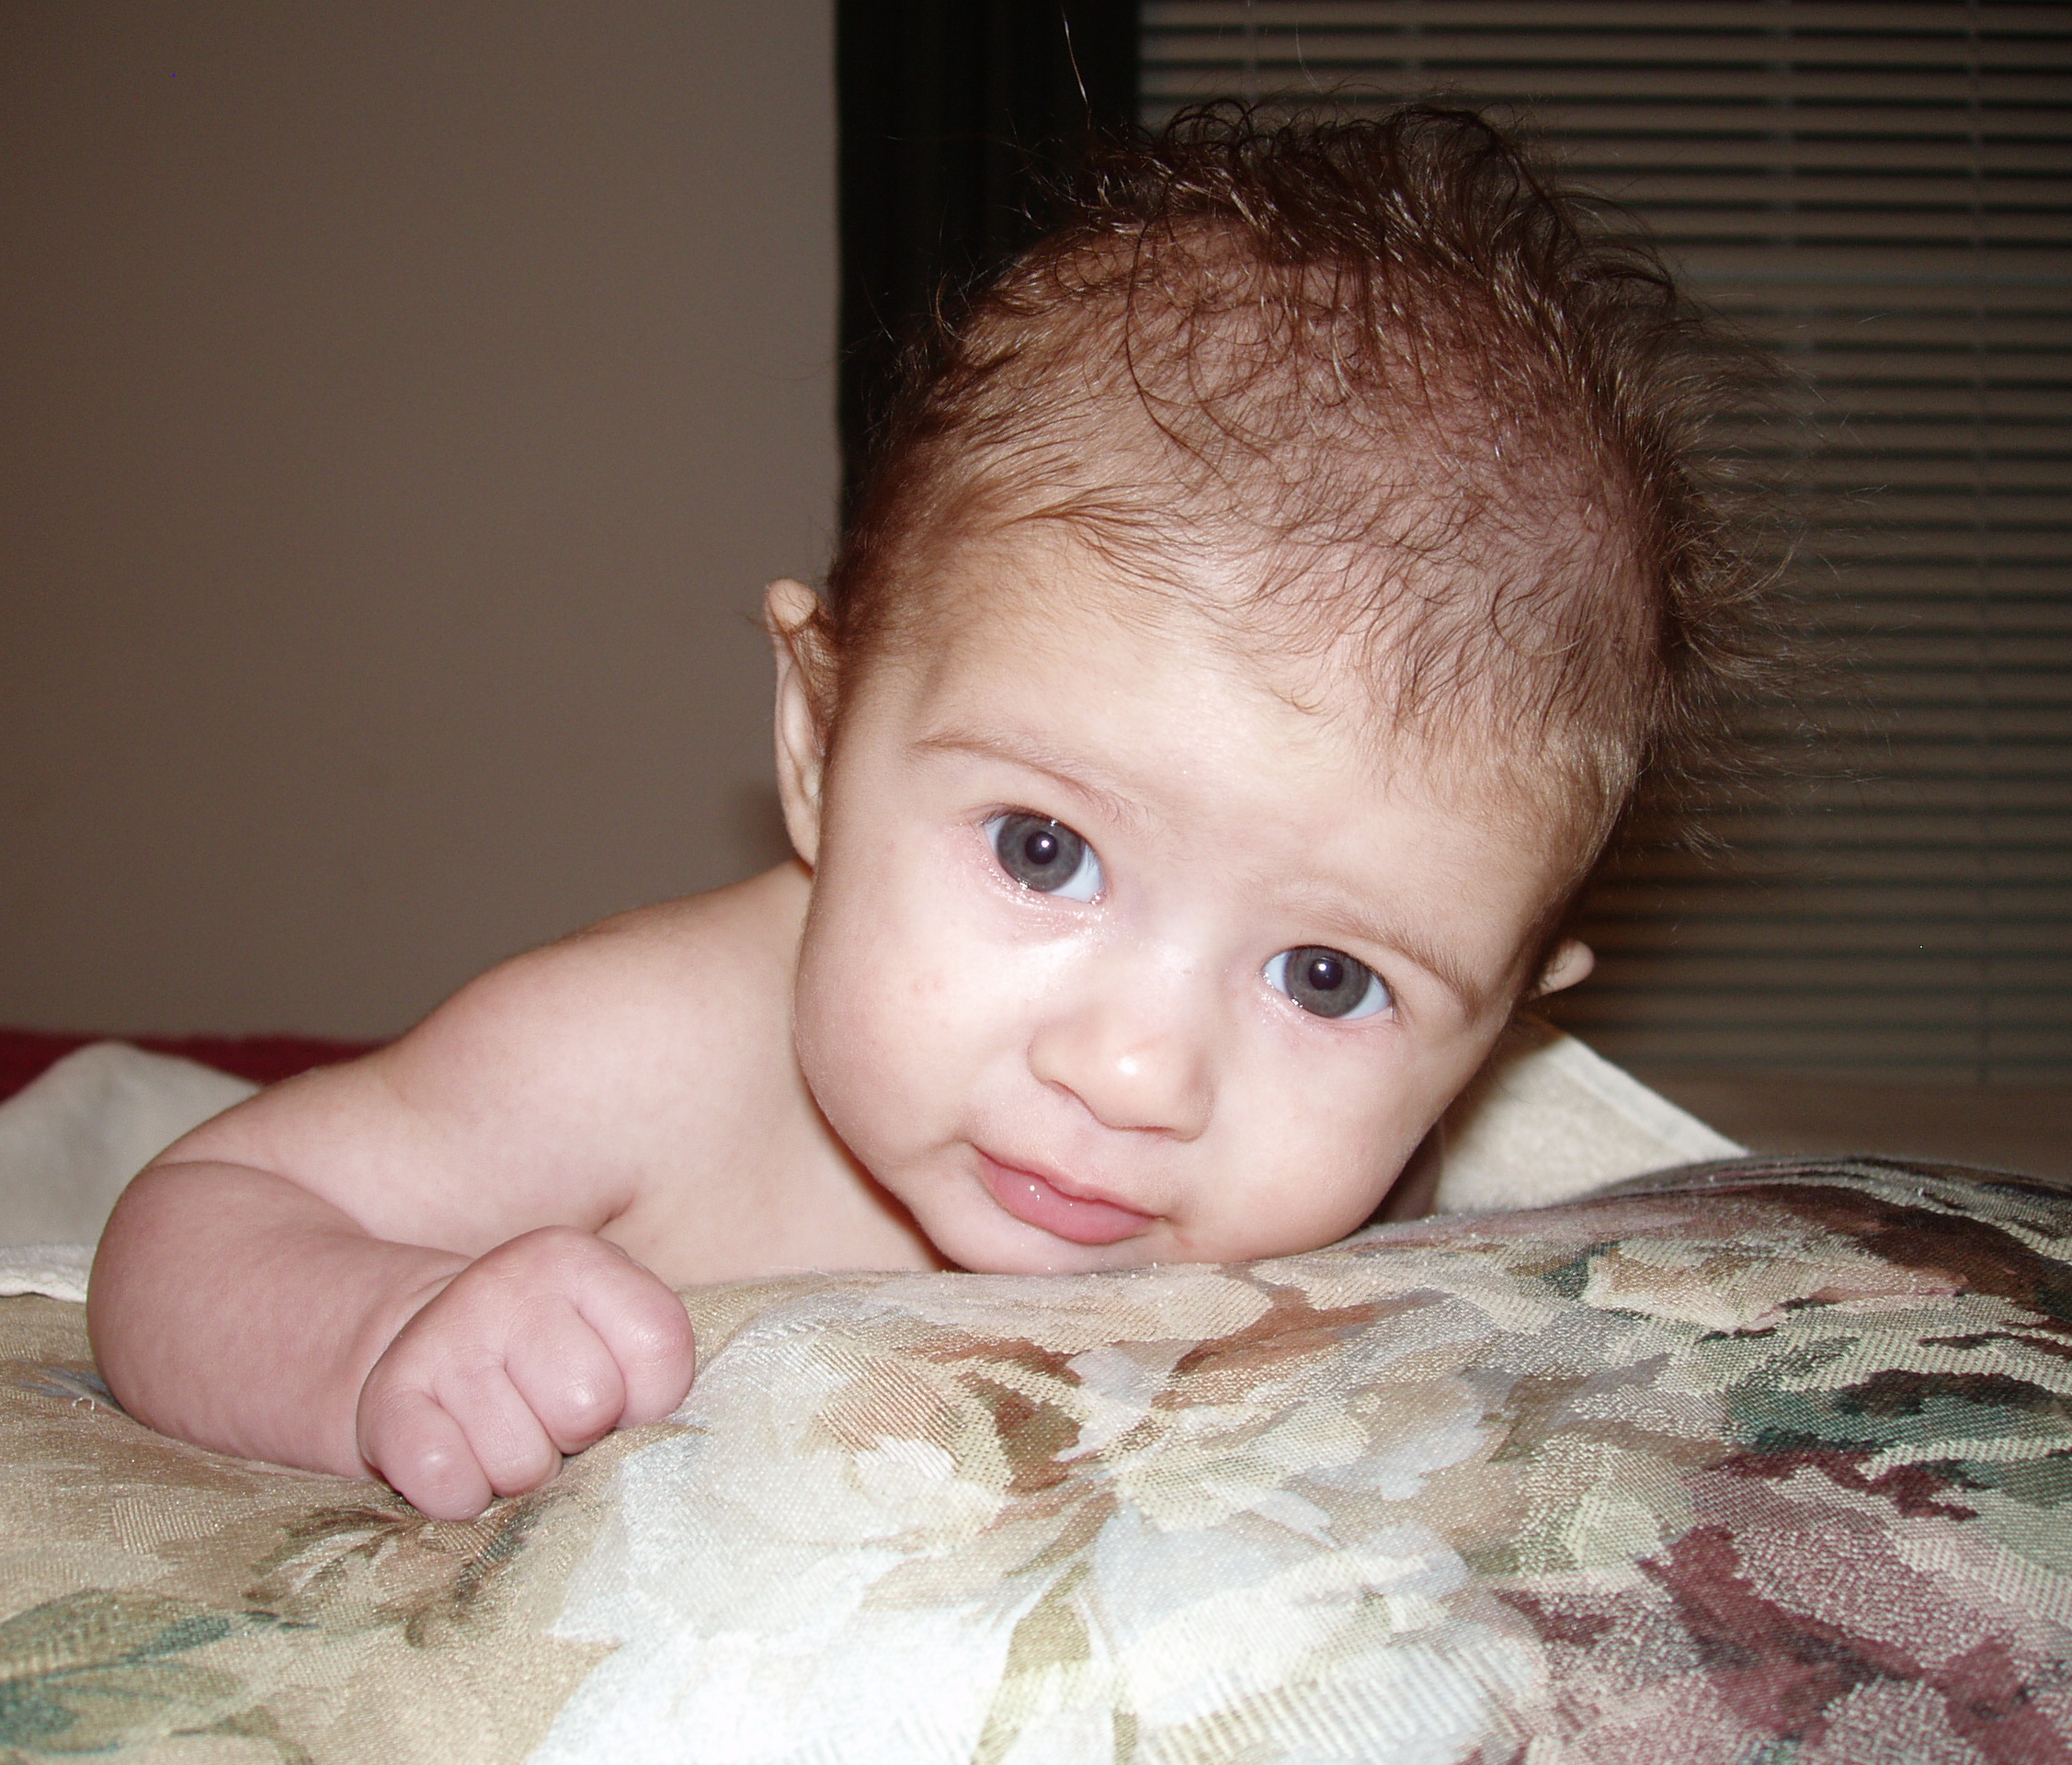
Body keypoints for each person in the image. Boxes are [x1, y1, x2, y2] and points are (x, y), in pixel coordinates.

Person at [88, 105, 1775, 1522]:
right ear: (819, 745)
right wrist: (385, 1334)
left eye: (1327, 979)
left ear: (1499, 1024)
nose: (1136, 1075)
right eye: (1046, 851)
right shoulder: (643, 1057)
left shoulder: (1372, 1199)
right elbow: (197, 1223)